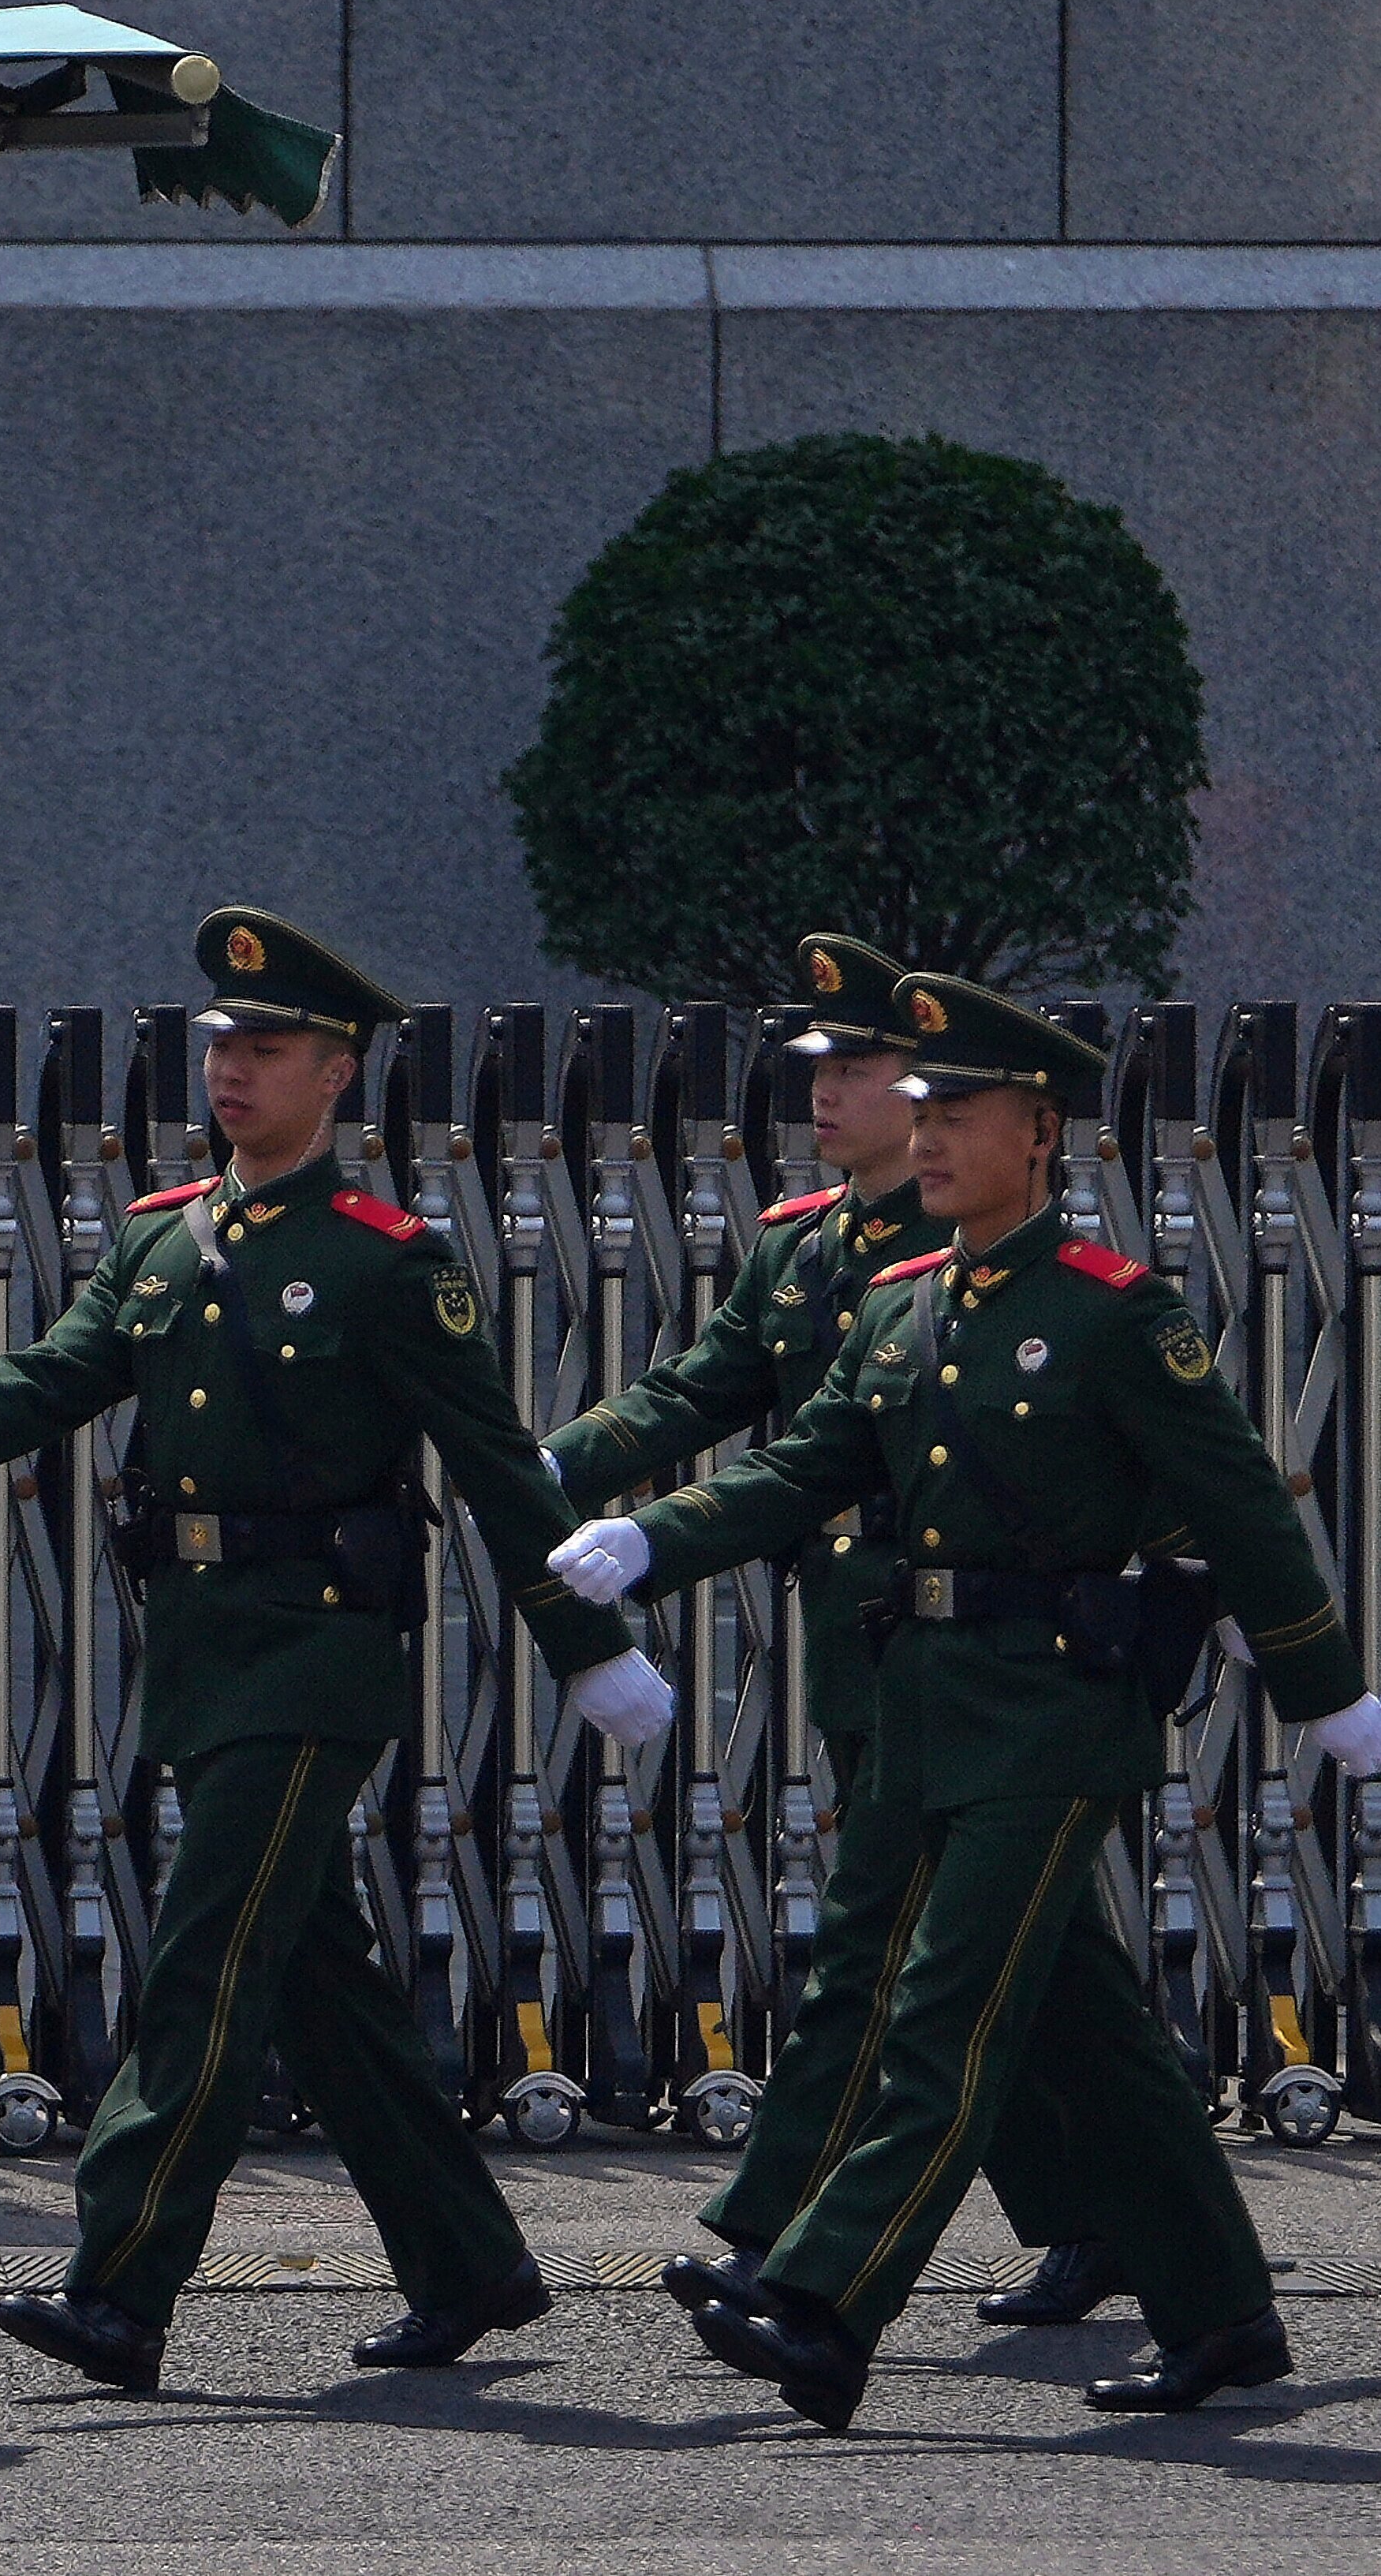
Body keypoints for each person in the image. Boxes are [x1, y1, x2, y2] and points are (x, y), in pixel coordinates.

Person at [0, 908, 677, 2393]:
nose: (231, 1070)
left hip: (320, 1657)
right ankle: (471, 2263)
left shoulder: (389, 1262)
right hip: (202, 1653)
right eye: (220, 1045)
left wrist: (586, 1647)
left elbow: (500, 1466)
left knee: (205, 1965)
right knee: (314, 1975)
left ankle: (120, 2286)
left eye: (266, 1048)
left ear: (338, 1073)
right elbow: (54, 1374)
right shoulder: (162, 1234)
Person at [551, 975, 1381, 2428]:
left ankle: (821, 2298)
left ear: (1041, 1130)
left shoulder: (1118, 1316)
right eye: (920, 1109)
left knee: (945, 2007)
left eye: (960, 1111)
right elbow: (801, 1470)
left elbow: (1243, 1506)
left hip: (1055, 1714)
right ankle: (1225, 2313)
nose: (927, 1136)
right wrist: (654, 1538)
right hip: (924, 1704)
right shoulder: (897, 1304)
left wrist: (1325, 1685)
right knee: (1078, 2024)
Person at [539, 935, 1117, 2325]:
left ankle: (779, 2235)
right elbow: (703, 1386)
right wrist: (564, 1459)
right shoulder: (807, 1246)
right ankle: (1117, 2224)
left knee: (892, 1961)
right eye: (823, 1072)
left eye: (859, 1072)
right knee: (1028, 1970)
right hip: (865, 1653)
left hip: (972, 1656)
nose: (829, 1097)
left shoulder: (974, 1249)